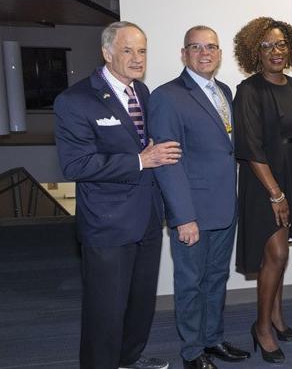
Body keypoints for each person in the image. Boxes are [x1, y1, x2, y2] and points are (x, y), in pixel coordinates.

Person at [54, 21, 180, 369]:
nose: (137, 58)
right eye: (128, 50)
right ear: (107, 53)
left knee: (140, 304)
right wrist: (140, 160)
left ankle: (128, 360)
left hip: (148, 219)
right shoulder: (75, 100)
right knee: (105, 310)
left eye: (142, 51)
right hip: (107, 225)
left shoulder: (144, 93)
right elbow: (76, 165)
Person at [149, 26, 248, 369]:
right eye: (196, 47)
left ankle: (213, 339)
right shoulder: (166, 96)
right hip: (192, 212)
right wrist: (182, 216)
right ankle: (192, 352)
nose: (205, 53)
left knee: (217, 278)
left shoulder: (223, 91)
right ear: (184, 53)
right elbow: (167, 164)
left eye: (211, 47)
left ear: (220, 54)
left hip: (224, 208)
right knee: (190, 283)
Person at [232, 17, 292, 364]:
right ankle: (261, 327)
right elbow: (249, 146)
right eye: (266, 46)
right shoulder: (248, 90)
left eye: (280, 44)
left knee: (281, 253)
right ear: (255, 53)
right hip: (264, 181)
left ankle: (277, 315)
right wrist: (276, 194)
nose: (275, 51)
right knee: (276, 254)